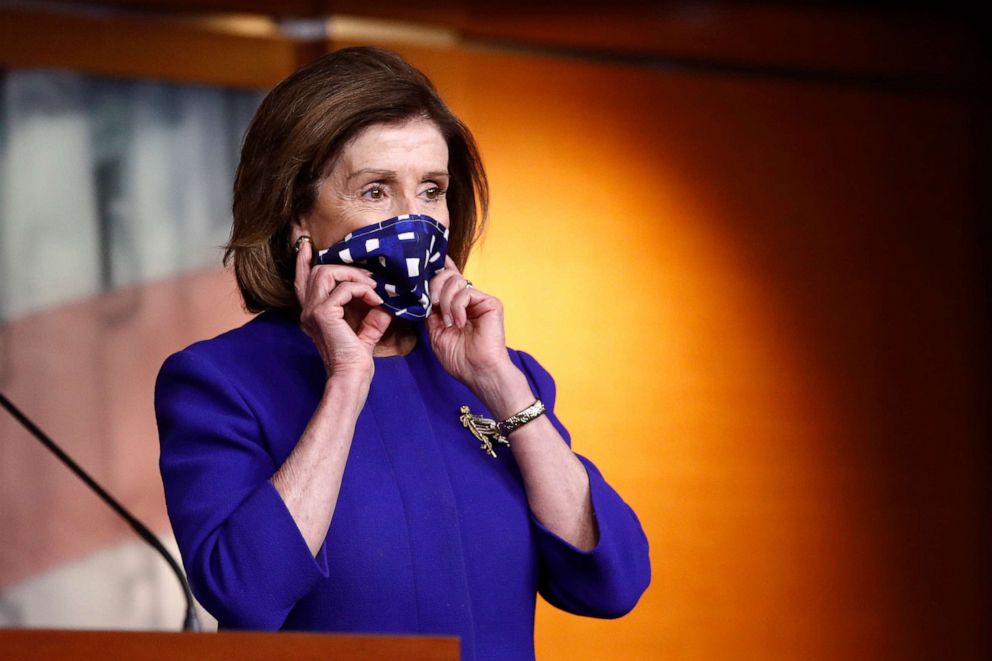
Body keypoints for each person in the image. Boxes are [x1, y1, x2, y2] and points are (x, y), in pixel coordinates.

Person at [155, 46, 650, 660]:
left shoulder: (503, 375)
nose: (413, 218)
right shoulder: (218, 382)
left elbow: (611, 583)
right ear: (295, 215)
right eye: (375, 191)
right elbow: (247, 594)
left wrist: (499, 382)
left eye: (432, 189)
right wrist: (344, 384)